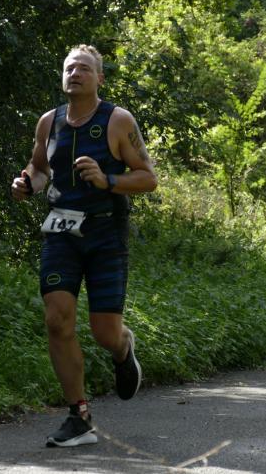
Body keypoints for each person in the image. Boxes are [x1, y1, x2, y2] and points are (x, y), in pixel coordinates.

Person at [11, 44, 157, 447]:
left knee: (104, 332)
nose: (75, 74)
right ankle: (79, 416)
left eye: (84, 69)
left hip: (105, 233)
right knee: (57, 319)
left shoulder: (117, 121)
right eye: (69, 68)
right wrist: (26, 183)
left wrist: (107, 180)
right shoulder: (49, 122)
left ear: (99, 79)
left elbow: (147, 178)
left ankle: (123, 349)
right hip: (61, 233)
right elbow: (40, 168)